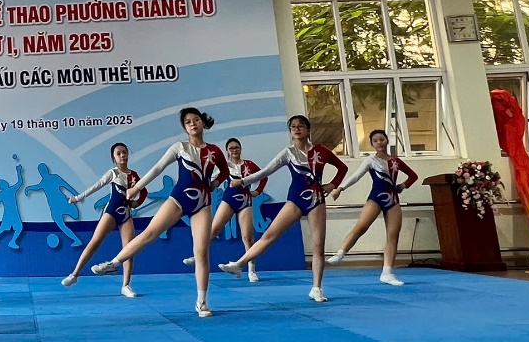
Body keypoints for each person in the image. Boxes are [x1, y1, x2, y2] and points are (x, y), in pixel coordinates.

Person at [90, 109, 226, 317]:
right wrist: (136, 188)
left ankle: (202, 302)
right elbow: (157, 169)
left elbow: (224, 171)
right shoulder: (180, 147)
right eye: (188, 122)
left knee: (201, 252)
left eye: (196, 120)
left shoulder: (214, 151)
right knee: (148, 234)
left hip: (202, 203)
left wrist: (215, 183)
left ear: (202, 123)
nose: (192, 124)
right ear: (184, 127)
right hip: (179, 199)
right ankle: (114, 263)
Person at [219, 114, 348, 303]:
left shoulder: (321, 151)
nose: (297, 129)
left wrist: (332, 185)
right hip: (295, 200)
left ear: (308, 130)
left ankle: (316, 288)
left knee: (318, 246)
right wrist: (243, 181)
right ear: (290, 132)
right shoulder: (288, 153)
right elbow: (265, 172)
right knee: (269, 236)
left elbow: (342, 168)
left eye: (301, 126)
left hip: (317, 200)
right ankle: (239, 264)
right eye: (293, 126)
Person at [326, 129, 419, 286]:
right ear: (372, 144)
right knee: (361, 227)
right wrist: (340, 188)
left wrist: (403, 185)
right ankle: (341, 253)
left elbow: (413, 175)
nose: (379, 142)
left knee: (393, 235)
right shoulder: (370, 160)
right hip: (376, 198)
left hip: (393, 200)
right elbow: (356, 176)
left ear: (386, 141)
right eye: (375, 140)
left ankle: (387, 272)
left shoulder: (396, 161)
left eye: (381, 139)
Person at [61, 142, 146, 296]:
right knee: (95, 241)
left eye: (124, 152)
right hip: (112, 212)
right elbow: (96, 186)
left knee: (129, 248)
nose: (122, 155)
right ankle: (74, 274)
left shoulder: (134, 175)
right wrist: (78, 198)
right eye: (118, 153)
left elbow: (144, 191)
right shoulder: (113, 173)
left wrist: (136, 203)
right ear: (113, 157)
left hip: (126, 214)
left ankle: (126, 285)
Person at [184, 138, 266, 283]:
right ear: (227, 151)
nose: (234, 150)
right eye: (231, 148)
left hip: (245, 201)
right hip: (228, 200)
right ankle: (197, 256)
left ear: (241, 148)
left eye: (236, 147)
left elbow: (263, 176)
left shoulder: (249, 164)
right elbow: (213, 179)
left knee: (248, 237)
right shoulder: (225, 166)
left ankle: (251, 270)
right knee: (213, 230)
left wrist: (258, 191)